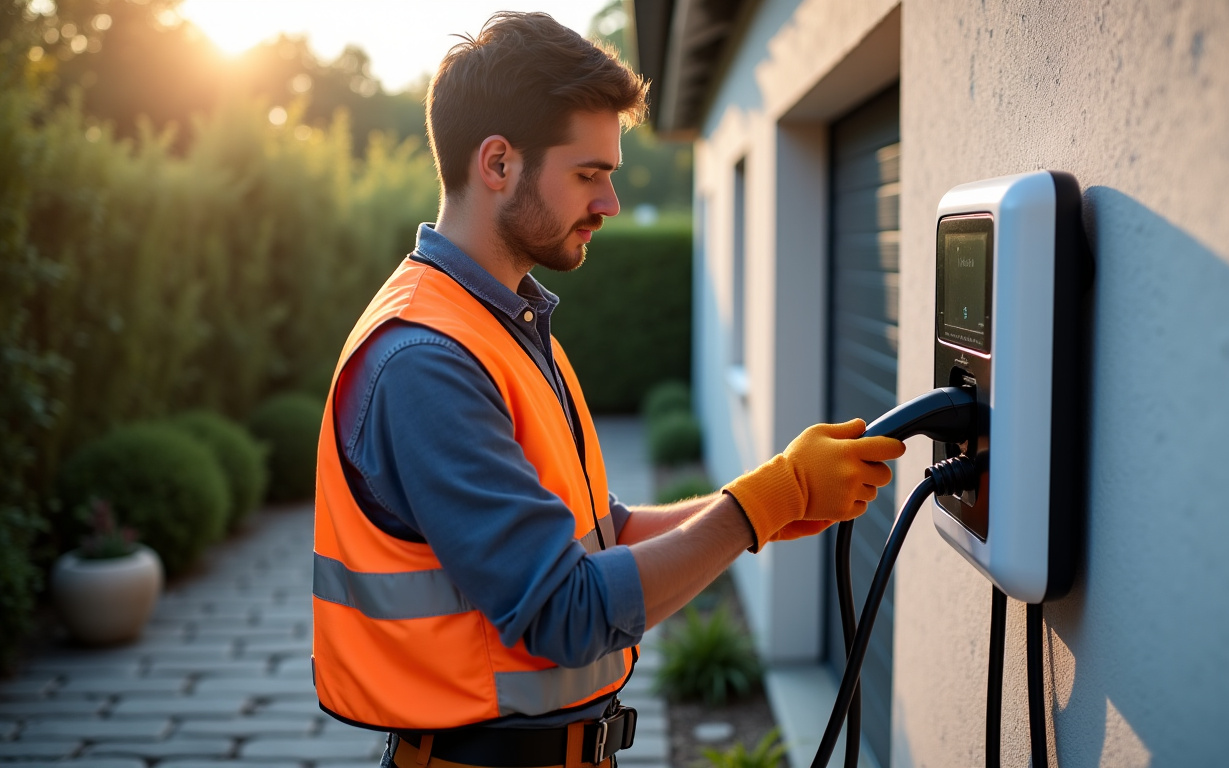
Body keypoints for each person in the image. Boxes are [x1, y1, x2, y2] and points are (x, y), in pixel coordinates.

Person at [310, 12, 906, 768]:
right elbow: (566, 610)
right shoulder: (426, 361)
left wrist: (770, 501)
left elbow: (605, 534)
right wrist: (756, 509)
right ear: (497, 164)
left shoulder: (505, 326)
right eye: (589, 173)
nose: (610, 203)